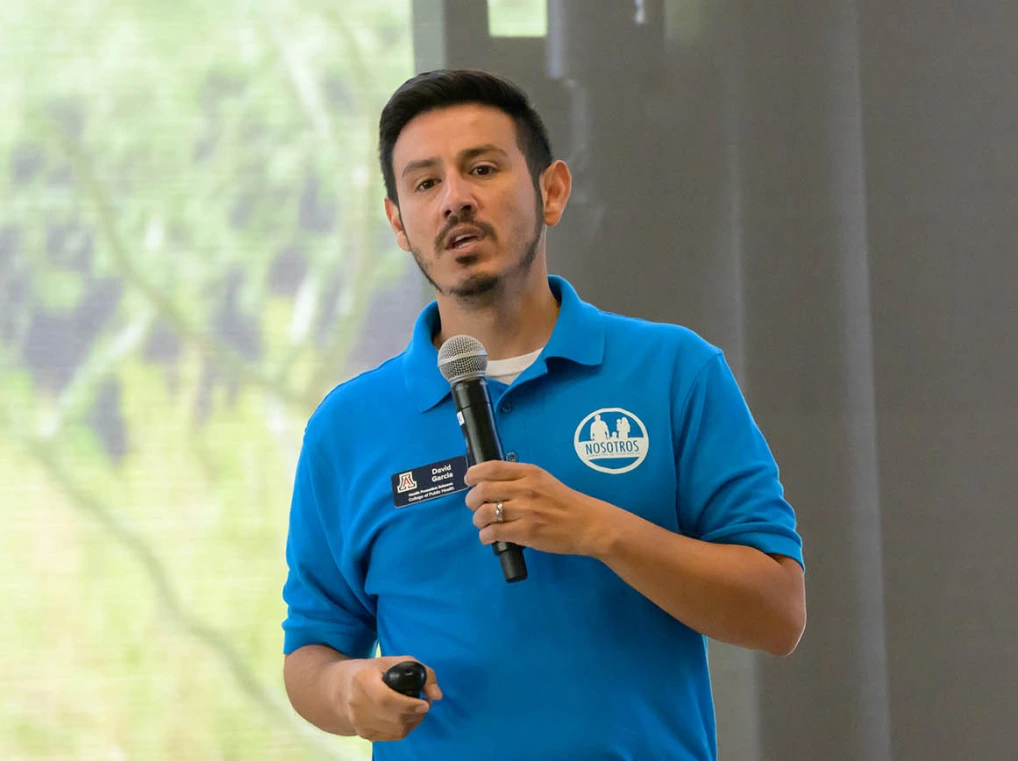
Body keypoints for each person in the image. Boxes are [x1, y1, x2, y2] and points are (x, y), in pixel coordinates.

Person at [280, 69, 806, 761]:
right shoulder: (347, 426)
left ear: (551, 191)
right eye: (425, 183)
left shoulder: (675, 372)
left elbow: (777, 614)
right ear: (398, 222)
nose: (455, 200)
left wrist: (599, 528)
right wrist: (351, 688)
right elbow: (311, 653)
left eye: (483, 168)